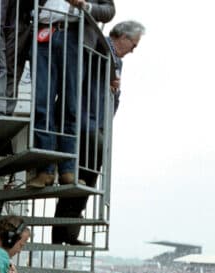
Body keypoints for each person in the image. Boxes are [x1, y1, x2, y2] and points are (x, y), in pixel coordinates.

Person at [49, 20, 145, 244]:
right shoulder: (99, 48)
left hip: (97, 122)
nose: (134, 49)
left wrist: (115, 93)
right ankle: (63, 231)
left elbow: (112, 96)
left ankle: (66, 232)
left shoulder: (116, 61)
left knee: (83, 181)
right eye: (134, 43)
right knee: (79, 179)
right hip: (85, 122)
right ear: (122, 36)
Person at [28, 0, 115, 188]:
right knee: (41, 104)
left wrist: (85, 6)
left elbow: (109, 10)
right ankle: (46, 170)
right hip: (44, 34)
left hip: (75, 35)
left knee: (71, 107)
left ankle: (68, 169)